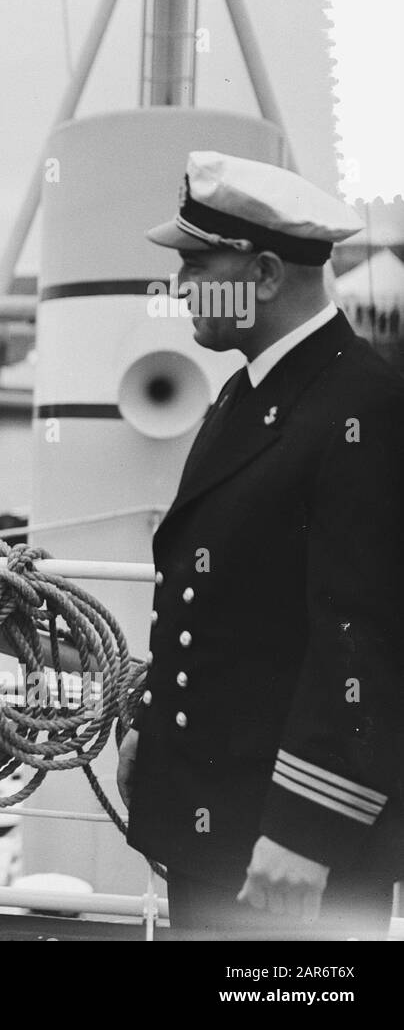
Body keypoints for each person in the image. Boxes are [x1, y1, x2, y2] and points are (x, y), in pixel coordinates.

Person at [117, 151, 404, 938]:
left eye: (197, 264)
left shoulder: (365, 410)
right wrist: (150, 717)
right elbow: (218, 600)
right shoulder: (250, 393)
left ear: (268, 274)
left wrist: (307, 830)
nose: (180, 287)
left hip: (287, 851)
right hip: (217, 818)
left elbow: (366, 638)